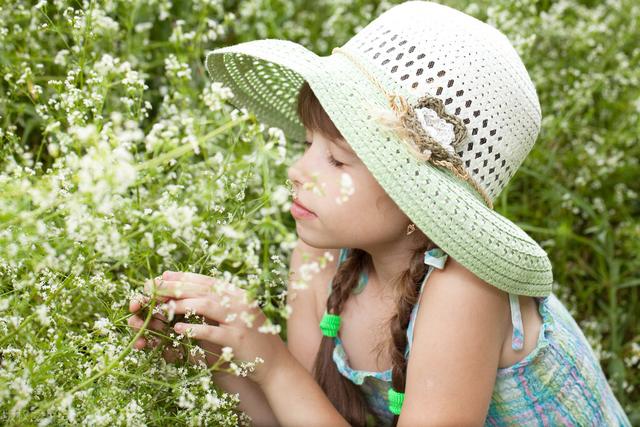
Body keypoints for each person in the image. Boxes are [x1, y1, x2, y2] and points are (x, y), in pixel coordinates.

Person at [127, 1, 632, 425]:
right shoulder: (320, 256)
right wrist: (229, 356)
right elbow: (301, 414)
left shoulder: (463, 289)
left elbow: (290, 385)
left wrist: (275, 364)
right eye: (308, 143)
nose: (298, 170)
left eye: (338, 158)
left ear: (418, 194)